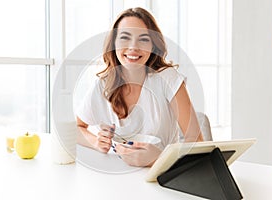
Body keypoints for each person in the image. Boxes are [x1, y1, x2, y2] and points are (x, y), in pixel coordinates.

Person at [76, 7, 203, 167]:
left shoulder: (167, 78)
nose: (133, 47)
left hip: (162, 177)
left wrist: (157, 159)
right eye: (125, 38)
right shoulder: (103, 84)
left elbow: (197, 142)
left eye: (143, 39)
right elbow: (76, 128)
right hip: (115, 177)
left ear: (153, 45)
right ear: (113, 43)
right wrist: (95, 141)